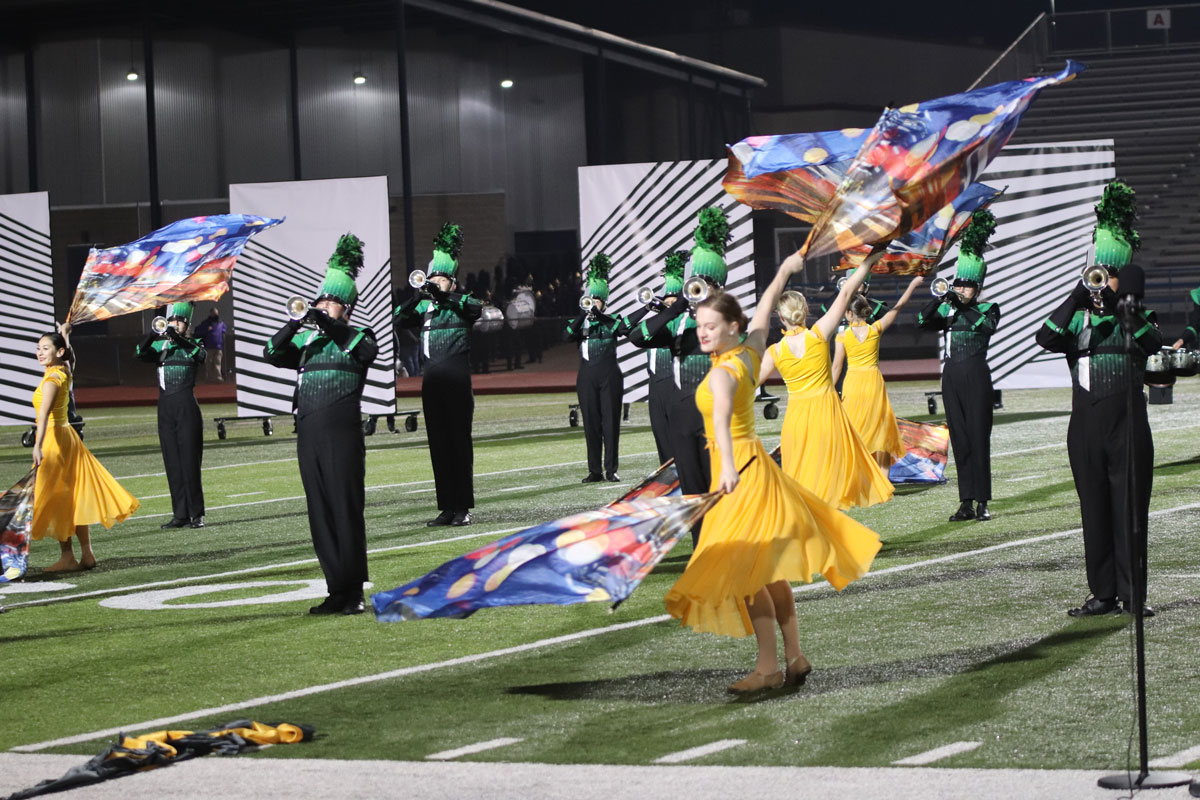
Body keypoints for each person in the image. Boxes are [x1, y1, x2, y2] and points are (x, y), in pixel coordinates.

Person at [664, 250, 882, 693]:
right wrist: (784, 269)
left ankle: (768, 669)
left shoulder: (729, 371)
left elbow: (722, 421)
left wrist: (725, 469)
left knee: (746, 571)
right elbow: (766, 306)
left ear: (731, 327)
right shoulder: (752, 350)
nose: (702, 333)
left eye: (711, 326)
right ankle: (795, 656)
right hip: (757, 466)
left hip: (738, 470)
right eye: (700, 326)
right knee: (766, 568)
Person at [1036, 181, 1161, 617]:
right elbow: (1045, 336)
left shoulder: (1136, 316)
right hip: (1085, 428)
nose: (1100, 283)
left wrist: (1117, 302)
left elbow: (1151, 342)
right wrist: (1075, 296)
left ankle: (1133, 595)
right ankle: (1103, 592)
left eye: (1108, 276)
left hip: (1128, 427)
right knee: (1094, 510)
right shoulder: (1075, 322)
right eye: (1097, 275)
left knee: (1130, 513)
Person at [264, 233, 377, 615]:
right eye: (321, 301)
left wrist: (326, 321)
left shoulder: (359, 336)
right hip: (308, 434)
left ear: (346, 308)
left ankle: (354, 591)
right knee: (320, 512)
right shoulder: (308, 344)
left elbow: (363, 350)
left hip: (342, 435)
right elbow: (272, 351)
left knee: (346, 509)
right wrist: (298, 321)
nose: (323, 307)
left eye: (331, 302)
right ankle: (335, 589)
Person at [758, 248, 894, 510]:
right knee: (830, 485)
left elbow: (749, 383)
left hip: (796, 422)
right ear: (806, 309)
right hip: (826, 416)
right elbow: (845, 293)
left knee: (801, 487)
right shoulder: (819, 334)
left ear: (781, 316)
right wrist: (868, 261)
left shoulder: (775, 351)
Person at [627, 207, 730, 540]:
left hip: (714, 417)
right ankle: (703, 551)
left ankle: (726, 548)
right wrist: (673, 307)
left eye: (706, 283)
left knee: (719, 490)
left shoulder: (727, 323)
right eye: (696, 282)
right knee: (692, 495)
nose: (699, 288)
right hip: (682, 419)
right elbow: (636, 336)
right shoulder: (678, 321)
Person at [394, 222, 481, 526]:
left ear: (452, 282)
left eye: (440, 278)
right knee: (439, 447)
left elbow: (476, 307)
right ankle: (446, 507)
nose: (434, 282)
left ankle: (463, 508)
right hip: (431, 385)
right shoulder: (424, 309)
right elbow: (399, 318)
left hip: (457, 384)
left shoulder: (460, 305)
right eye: (431, 277)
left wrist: (445, 296)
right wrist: (420, 294)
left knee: (459, 445)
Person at [31, 325, 139, 572]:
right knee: (72, 497)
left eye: (45, 348)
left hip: (54, 440)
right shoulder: (63, 370)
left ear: (58, 352)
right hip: (68, 438)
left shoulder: (51, 379)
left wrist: (37, 446)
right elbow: (71, 358)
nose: (39, 352)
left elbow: (45, 417)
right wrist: (65, 334)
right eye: (38, 348)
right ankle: (87, 554)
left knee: (58, 499)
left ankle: (67, 556)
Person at [917, 210, 1001, 522]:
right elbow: (922, 321)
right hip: (952, 376)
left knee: (979, 438)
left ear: (977, 287)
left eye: (967, 286)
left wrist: (961, 304)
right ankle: (965, 501)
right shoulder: (951, 309)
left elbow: (984, 327)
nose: (962, 289)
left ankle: (983, 501)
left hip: (977, 377)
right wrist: (942, 298)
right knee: (961, 441)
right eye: (959, 285)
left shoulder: (988, 309)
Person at [832, 276, 924, 468]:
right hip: (873, 382)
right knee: (880, 429)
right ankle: (884, 482)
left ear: (848, 313)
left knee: (854, 428)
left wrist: (829, 391)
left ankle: (859, 477)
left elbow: (836, 368)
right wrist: (912, 285)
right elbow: (898, 307)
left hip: (853, 384)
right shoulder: (875, 329)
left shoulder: (842, 336)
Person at [135, 302, 207, 529]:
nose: (175, 325)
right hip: (165, 409)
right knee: (173, 464)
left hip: (187, 407)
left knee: (189, 462)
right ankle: (180, 514)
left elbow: (200, 355)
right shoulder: (161, 348)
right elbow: (139, 353)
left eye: (179, 321)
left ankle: (197, 514)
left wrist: (177, 337)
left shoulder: (194, 344)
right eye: (172, 321)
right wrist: (155, 331)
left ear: (187, 324)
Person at [565, 253, 629, 483]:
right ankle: (595, 470)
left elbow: (623, 330)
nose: (593, 302)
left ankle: (611, 469)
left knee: (610, 423)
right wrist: (584, 315)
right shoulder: (581, 322)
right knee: (591, 424)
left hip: (610, 376)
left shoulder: (612, 319)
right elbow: (566, 335)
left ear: (604, 302)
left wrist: (600, 315)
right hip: (587, 376)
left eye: (597, 299)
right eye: (590, 298)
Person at [623, 250, 687, 466]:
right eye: (665, 302)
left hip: (676, 385)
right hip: (656, 386)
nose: (667, 306)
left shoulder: (683, 324)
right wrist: (653, 308)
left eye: (673, 303)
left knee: (681, 442)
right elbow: (630, 331)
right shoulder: (656, 322)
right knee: (662, 442)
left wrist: (673, 310)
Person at [192, 308, 227, 382]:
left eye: (216, 313)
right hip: (209, 347)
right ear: (211, 313)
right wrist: (206, 330)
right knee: (209, 363)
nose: (215, 315)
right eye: (214, 313)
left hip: (218, 347)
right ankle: (210, 378)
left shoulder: (221, 323)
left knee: (217, 362)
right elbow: (198, 331)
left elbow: (223, 332)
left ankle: (218, 377)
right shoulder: (206, 323)